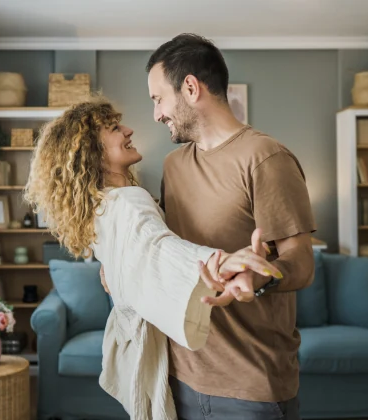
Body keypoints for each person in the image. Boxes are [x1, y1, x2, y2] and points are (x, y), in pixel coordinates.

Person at [23, 96, 281, 420]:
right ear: (92, 151)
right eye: (115, 128)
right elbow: (157, 247)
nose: (129, 130)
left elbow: (137, 252)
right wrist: (221, 261)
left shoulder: (101, 207)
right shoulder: (129, 202)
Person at [147, 33, 317, 420]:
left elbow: (302, 261)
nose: (156, 114)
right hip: (181, 373)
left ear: (190, 87)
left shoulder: (264, 157)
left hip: (251, 385)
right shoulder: (174, 166)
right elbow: (163, 250)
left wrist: (262, 277)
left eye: (158, 98)